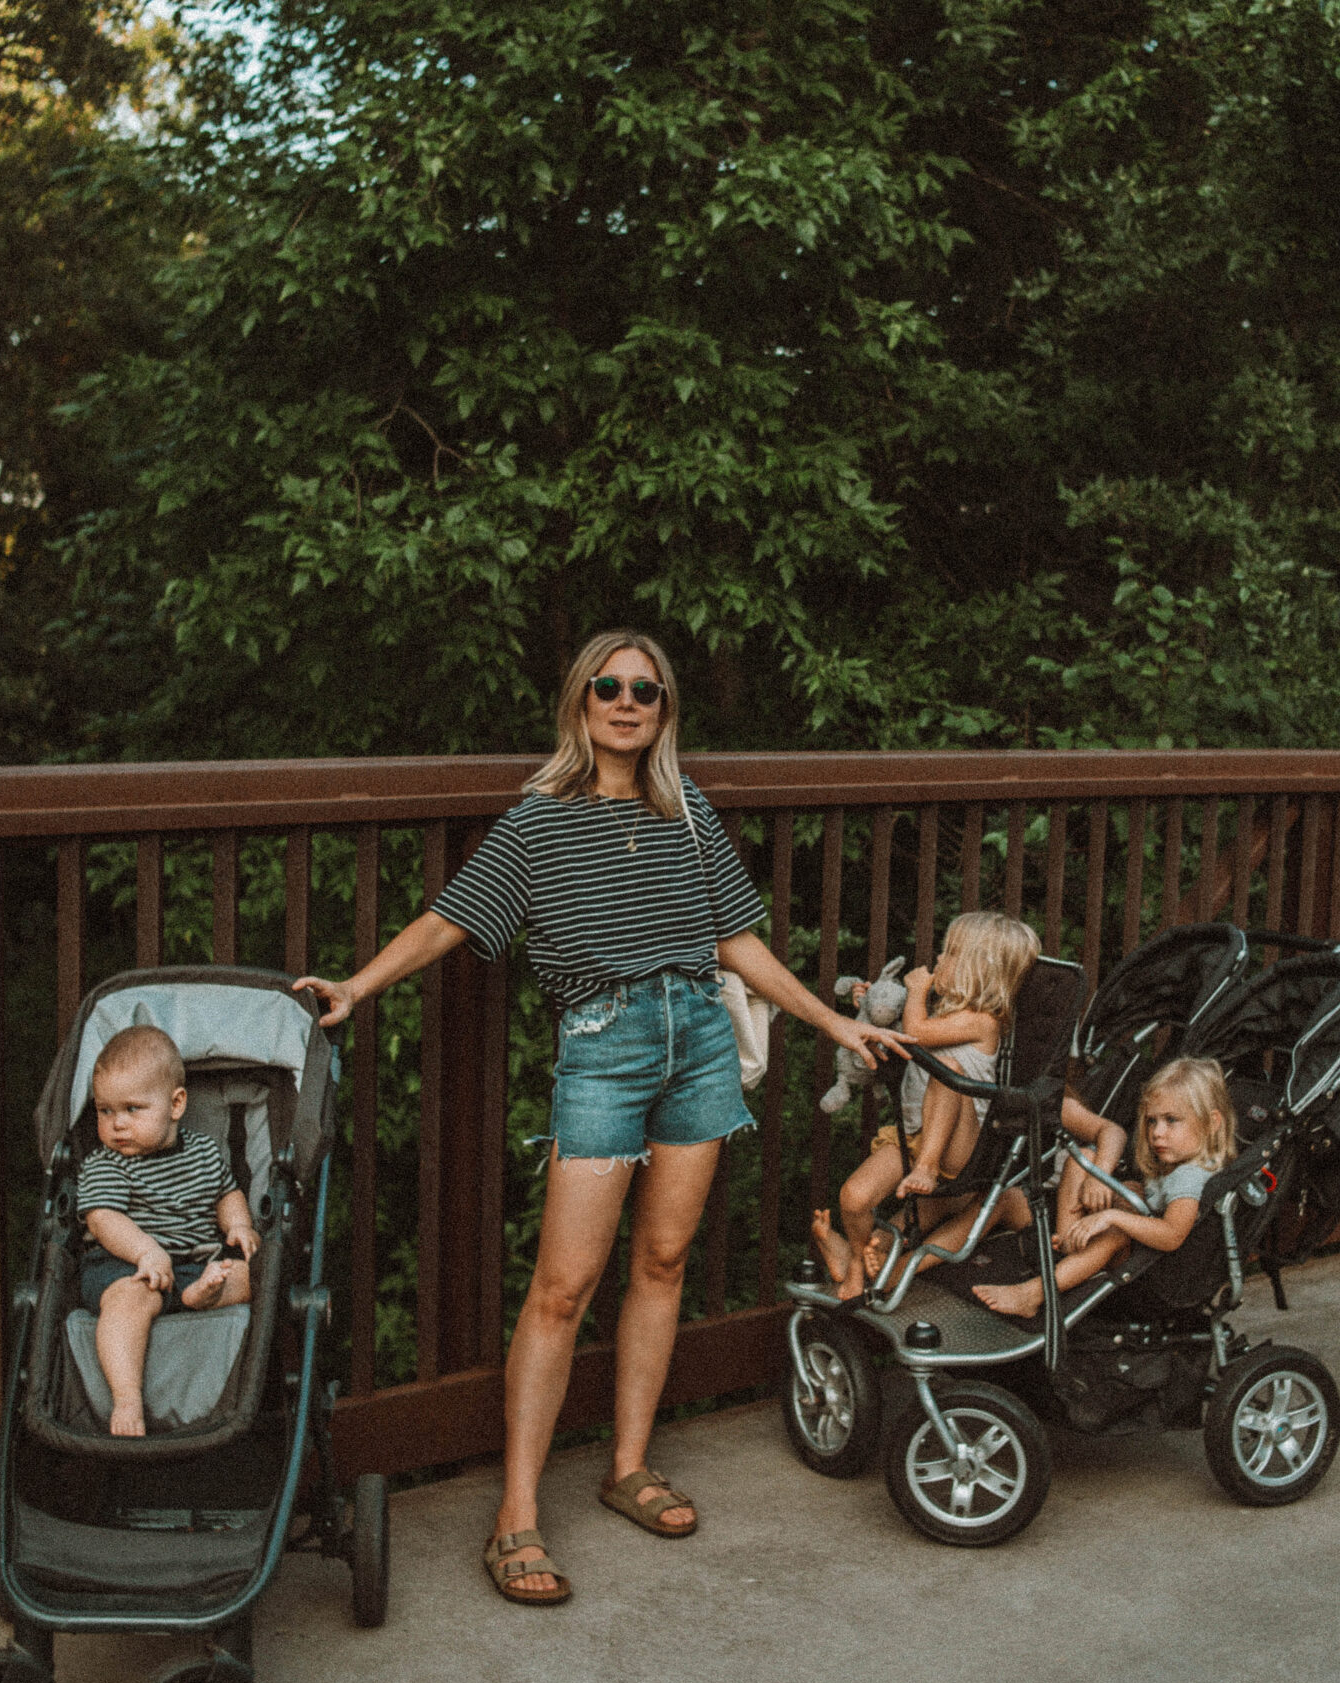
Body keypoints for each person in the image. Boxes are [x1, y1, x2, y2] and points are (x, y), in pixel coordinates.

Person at [295, 629, 904, 1606]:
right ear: (581, 703)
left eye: (647, 692)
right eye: (610, 688)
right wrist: (358, 987)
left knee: (661, 1263)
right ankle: (516, 1517)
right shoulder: (536, 824)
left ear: (663, 712)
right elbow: (453, 919)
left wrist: (834, 1019)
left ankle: (626, 1465)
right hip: (604, 1049)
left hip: (699, 1039)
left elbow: (735, 941)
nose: (628, 703)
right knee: (563, 1286)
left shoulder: (686, 809)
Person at [810, 911, 1040, 1301]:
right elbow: (904, 1031)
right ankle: (853, 1262)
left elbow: (916, 1033)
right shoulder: (944, 1010)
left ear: (977, 970)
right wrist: (874, 1004)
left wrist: (915, 990)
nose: (936, 961)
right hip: (914, 1133)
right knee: (854, 1197)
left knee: (949, 1070)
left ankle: (927, 1168)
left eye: (949, 954)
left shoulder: (985, 1021)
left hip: (956, 1148)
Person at [76, 1024, 261, 1436]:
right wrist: (144, 1251)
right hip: (123, 1266)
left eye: (132, 1109)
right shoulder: (107, 1164)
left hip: (195, 1266)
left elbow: (226, 1193)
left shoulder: (204, 1152)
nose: (116, 1124)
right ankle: (127, 1400)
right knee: (129, 1299)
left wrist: (239, 1226)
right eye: (105, 1111)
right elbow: (103, 1219)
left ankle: (197, 1297)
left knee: (257, 1275)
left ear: (176, 1104)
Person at [963, 1055, 1237, 1317]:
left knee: (1116, 1230)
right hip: (1143, 1259)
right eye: (1152, 1121)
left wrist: (1112, 1215)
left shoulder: (1189, 1176)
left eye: (1171, 1120)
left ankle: (1033, 1295)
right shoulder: (1178, 1166)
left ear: (1212, 1123)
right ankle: (1070, 1244)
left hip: (1155, 1281)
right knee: (1086, 1160)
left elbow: (1172, 1235)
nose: (1156, 1132)